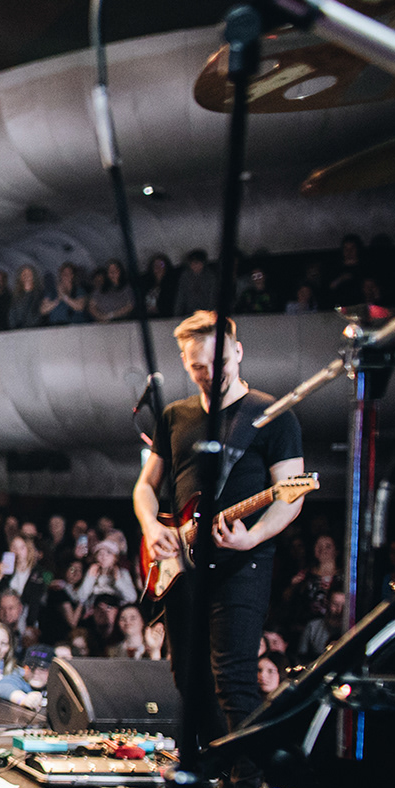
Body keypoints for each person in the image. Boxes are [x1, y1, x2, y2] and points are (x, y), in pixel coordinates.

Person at [134, 312, 305, 744]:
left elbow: (292, 495)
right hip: (181, 562)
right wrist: (152, 527)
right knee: (187, 679)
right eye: (198, 367)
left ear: (239, 352)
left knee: (233, 679)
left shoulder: (272, 416)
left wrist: (254, 535)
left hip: (240, 564)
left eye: (219, 362)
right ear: (186, 364)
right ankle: (212, 772)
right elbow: (146, 488)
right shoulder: (175, 416)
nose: (210, 374)